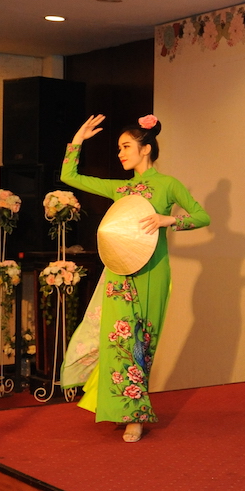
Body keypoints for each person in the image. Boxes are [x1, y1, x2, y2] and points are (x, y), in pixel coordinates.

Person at [61, 114, 209, 443]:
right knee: (118, 342)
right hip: (119, 273)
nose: (120, 153)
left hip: (153, 272)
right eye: (119, 148)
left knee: (141, 344)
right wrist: (78, 139)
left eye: (126, 146)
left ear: (146, 149)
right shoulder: (121, 188)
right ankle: (126, 411)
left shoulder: (168, 184)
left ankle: (135, 414)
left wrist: (168, 220)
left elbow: (202, 216)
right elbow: (68, 175)